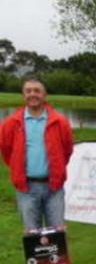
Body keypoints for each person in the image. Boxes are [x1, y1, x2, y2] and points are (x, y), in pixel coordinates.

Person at [1, 78, 73, 231]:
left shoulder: (60, 122)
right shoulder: (11, 123)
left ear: (44, 94)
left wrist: (57, 169)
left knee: (57, 235)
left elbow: (67, 151)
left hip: (54, 188)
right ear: (23, 95)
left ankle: (57, 256)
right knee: (32, 236)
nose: (32, 94)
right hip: (26, 188)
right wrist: (18, 169)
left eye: (37, 91)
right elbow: (7, 152)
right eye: (28, 91)